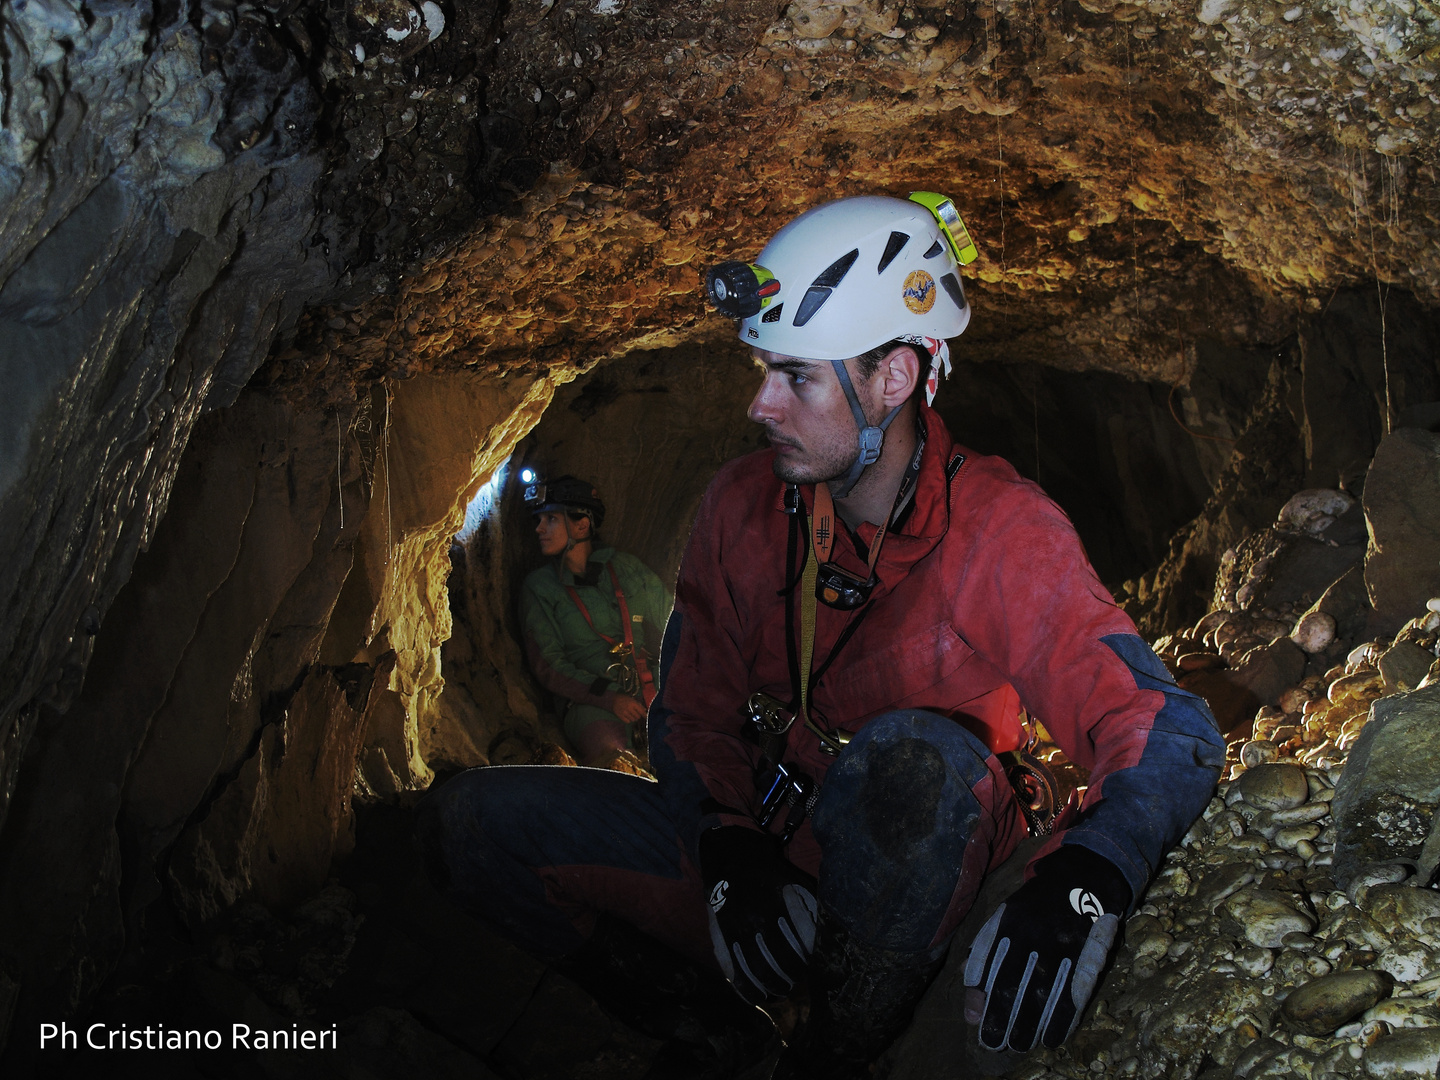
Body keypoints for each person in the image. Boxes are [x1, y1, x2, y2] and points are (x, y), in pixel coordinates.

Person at [417, 194, 1224, 1079]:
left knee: (917, 760)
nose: (761, 405)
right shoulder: (742, 505)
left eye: (795, 377)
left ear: (894, 380)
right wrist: (725, 846)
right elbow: (690, 711)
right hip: (766, 849)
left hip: (908, 878)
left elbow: (1159, 723)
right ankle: (716, 1032)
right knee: (474, 821)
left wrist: (1088, 876)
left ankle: (832, 1056)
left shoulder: (1000, 531)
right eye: (763, 369)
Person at [517, 474, 671, 770]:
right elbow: (548, 666)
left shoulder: (626, 569)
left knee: (691, 747)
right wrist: (610, 698)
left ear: (582, 524)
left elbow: (673, 620)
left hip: (649, 684)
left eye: (550, 519)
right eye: (539, 519)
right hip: (591, 700)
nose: (539, 528)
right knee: (614, 761)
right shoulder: (540, 588)